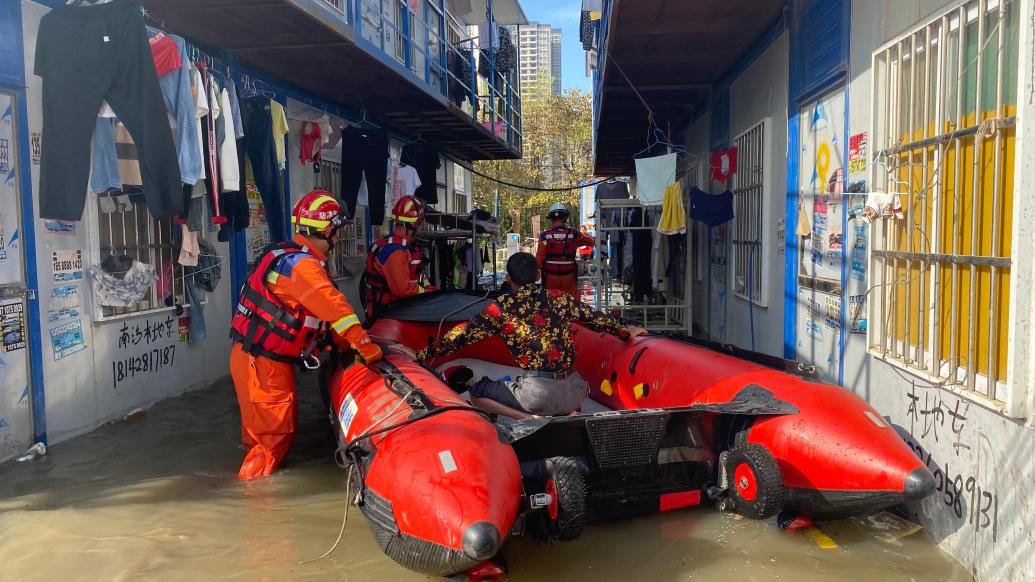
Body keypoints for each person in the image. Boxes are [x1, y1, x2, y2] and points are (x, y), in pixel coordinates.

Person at [229, 190, 382, 480]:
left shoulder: (287, 257)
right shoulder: (303, 268)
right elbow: (336, 308)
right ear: (326, 229)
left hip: (253, 359)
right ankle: (257, 509)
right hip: (264, 366)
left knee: (262, 440)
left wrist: (338, 344)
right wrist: (366, 346)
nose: (337, 239)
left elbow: (316, 316)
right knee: (271, 444)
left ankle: (252, 489)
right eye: (336, 232)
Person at [417, 252, 646, 420]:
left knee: (477, 392)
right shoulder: (559, 298)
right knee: (549, 392)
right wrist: (626, 332)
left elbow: (461, 335)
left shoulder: (502, 308)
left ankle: (529, 420)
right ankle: (568, 413)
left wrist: (421, 354)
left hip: (538, 395)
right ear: (538, 274)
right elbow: (597, 319)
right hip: (576, 390)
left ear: (508, 278)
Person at [363, 195, 436, 318]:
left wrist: (429, 287)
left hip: (397, 311)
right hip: (387, 315)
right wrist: (428, 293)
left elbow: (417, 276)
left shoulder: (403, 247)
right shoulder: (395, 252)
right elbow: (403, 290)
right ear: (413, 225)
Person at [536, 202, 594, 300]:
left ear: (551, 218)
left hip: (550, 277)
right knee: (572, 303)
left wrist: (535, 272)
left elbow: (539, 258)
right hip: (569, 276)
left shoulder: (545, 236)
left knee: (551, 303)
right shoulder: (574, 234)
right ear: (565, 217)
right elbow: (590, 241)